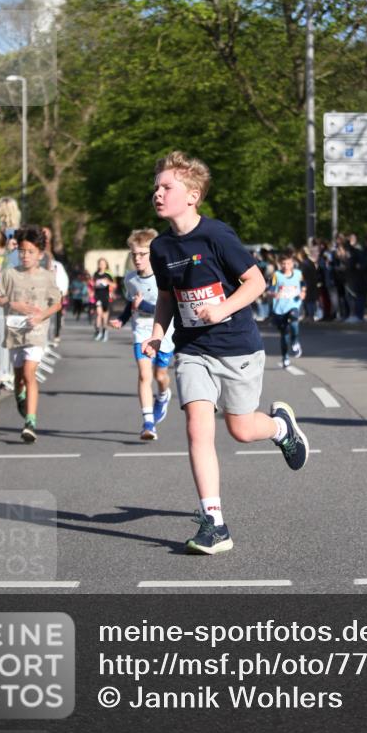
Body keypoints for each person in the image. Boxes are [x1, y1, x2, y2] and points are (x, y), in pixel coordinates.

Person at [144, 151, 309, 555]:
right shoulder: (160, 247)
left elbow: (256, 283)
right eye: (156, 187)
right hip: (193, 349)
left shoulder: (217, 236)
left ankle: (281, 428)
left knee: (241, 429)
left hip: (236, 347)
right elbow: (166, 297)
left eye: (167, 187)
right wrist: (157, 335)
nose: (157, 194)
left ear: (193, 195)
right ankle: (214, 524)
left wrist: (221, 309)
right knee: (197, 427)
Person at [0, 225, 62, 443]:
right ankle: (19, 394)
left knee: (30, 373)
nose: (25, 256)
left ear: (40, 254)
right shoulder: (10, 274)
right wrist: (12, 303)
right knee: (19, 376)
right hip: (15, 332)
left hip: (36, 333)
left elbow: (57, 303)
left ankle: (30, 422)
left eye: (31, 252)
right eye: (22, 251)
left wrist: (41, 316)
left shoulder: (47, 277)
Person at [110, 228, 175, 440]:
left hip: (164, 332)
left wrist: (144, 306)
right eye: (134, 254)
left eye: (142, 254)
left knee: (160, 376)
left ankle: (163, 395)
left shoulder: (164, 277)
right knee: (144, 375)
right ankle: (148, 423)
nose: (137, 259)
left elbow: (168, 308)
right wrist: (122, 319)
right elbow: (131, 302)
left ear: (152, 254)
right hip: (141, 331)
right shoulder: (130, 279)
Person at [269, 248, 306, 367]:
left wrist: (303, 292)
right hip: (280, 308)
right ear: (280, 264)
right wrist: (274, 294)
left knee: (294, 319)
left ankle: (295, 340)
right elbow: (270, 289)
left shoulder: (298, 274)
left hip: (294, 304)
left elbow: (303, 284)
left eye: (288, 263)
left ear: (292, 264)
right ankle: (285, 356)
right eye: (283, 264)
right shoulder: (276, 275)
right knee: (284, 334)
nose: (286, 266)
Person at [92, 258, 114, 341]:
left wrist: (108, 282)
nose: (101, 265)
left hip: (106, 297)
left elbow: (114, 285)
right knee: (99, 314)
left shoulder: (108, 274)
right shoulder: (95, 274)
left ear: (106, 265)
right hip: (98, 296)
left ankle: (105, 332)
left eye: (103, 263)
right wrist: (95, 284)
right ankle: (98, 331)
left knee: (105, 316)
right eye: (100, 263)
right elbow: (92, 284)